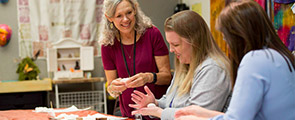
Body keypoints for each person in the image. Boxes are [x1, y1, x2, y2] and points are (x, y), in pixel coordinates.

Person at [174, 1, 295, 120]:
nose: (228, 47)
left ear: (238, 37)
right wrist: (202, 113)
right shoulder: (279, 56)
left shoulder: (254, 61)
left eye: (227, 40)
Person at [129, 10, 232, 120]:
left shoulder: (213, 70)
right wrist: (155, 103)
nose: (171, 50)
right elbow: (171, 101)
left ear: (194, 41)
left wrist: (159, 112)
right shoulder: (186, 64)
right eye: (170, 44)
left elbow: (195, 116)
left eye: (176, 44)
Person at [99, 0, 172, 119]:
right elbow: (111, 87)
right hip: (129, 114)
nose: (125, 19)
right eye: (119, 16)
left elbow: (167, 77)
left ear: (135, 9)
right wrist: (113, 88)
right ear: (109, 17)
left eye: (129, 12)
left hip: (157, 112)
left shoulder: (152, 34)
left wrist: (148, 77)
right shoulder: (108, 45)